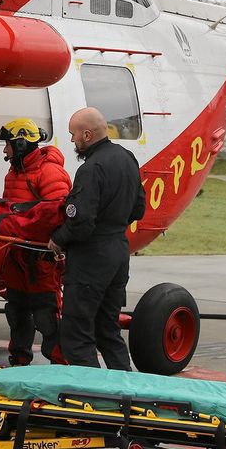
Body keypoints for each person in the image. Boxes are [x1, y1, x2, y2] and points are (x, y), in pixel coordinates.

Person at [48, 107, 145, 370]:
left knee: (76, 334)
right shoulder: (127, 159)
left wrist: (58, 239)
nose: (72, 141)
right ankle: (126, 392)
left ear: (87, 134)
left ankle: (92, 397)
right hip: (118, 253)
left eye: (73, 135)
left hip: (92, 258)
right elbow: (139, 209)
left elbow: (81, 221)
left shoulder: (91, 169)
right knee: (108, 329)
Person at [0, 118, 70, 366]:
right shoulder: (14, 171)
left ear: (19, 144)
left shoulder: (49, 172)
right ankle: (19, 359)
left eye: (7, 145)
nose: (5, 150)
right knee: (16, 311)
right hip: (17, 253)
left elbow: (60, 212)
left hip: (42, 258)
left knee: (46, 314)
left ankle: (60, 363)